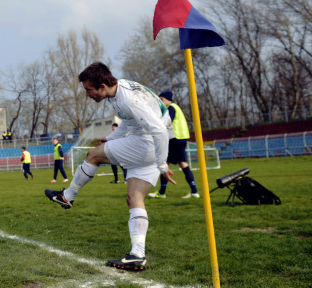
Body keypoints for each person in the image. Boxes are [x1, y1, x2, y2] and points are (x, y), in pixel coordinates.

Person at [44, 61, 175, 271]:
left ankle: (67, 196)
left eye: (89, 90)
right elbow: (130, 122)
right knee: (134, 198)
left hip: (148, 143)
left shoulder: (128, 99)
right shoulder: (120, 90)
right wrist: (112, 138)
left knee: (93, 156)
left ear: (102, 86)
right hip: (151, 144)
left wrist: (162, 164)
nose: (87, 94)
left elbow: (158, 130)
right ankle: (137, 255)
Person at [148, 91, 200, 199]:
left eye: (161, 99)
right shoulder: (176, 107)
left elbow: (166, 122)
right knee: (183, 164)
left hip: (174, 139)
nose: (160, 102)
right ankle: (194, 191)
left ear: (168, 99)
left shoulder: (171, 108)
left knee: (164, 163)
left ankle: (162, 192)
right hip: (181, 139)